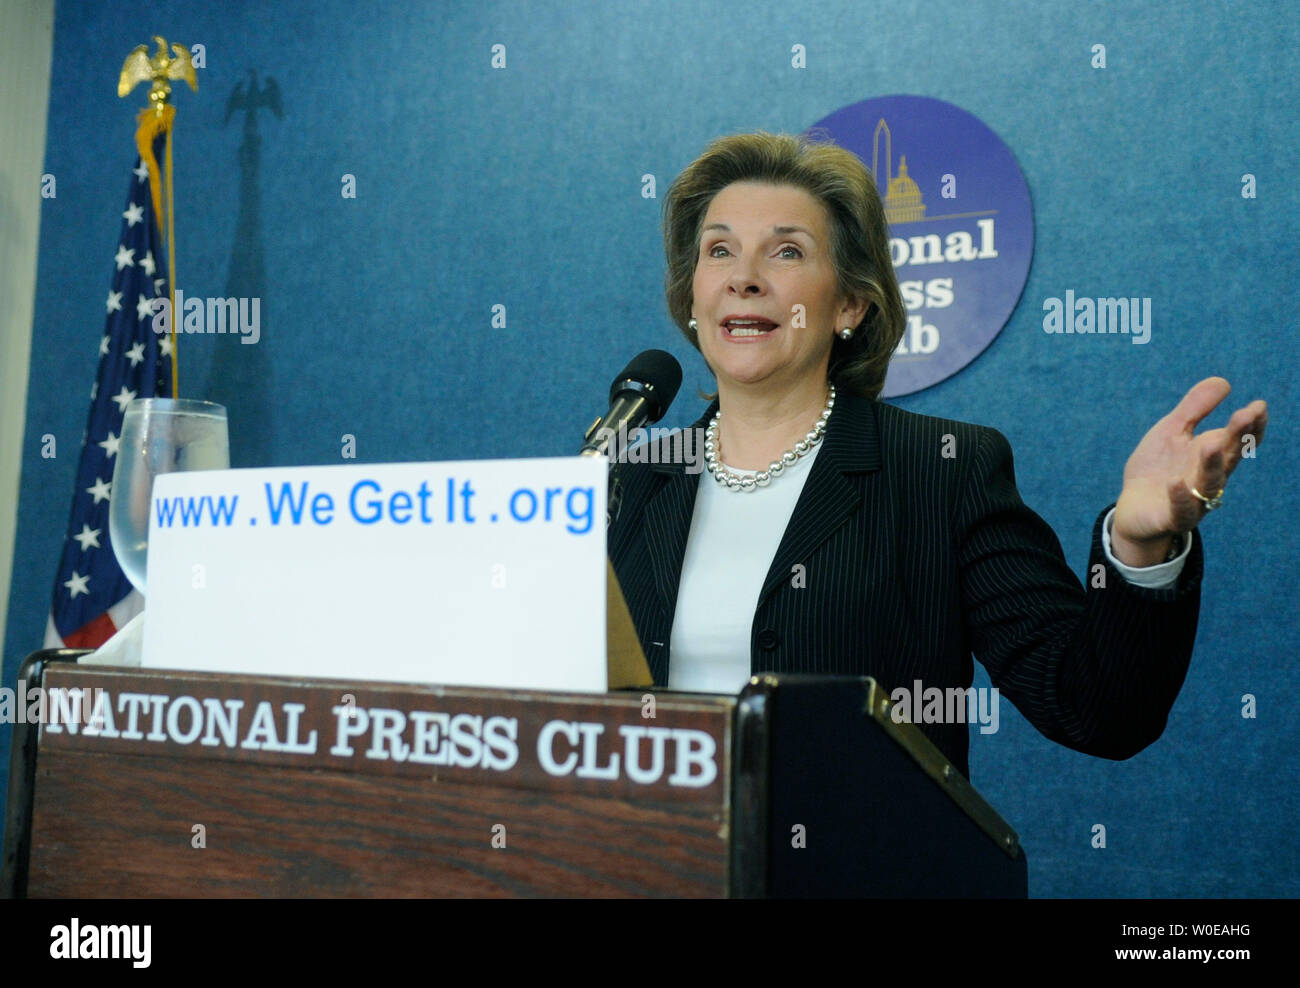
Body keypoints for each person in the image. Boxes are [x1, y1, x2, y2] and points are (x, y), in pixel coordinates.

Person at [607, 131, 1268, 778]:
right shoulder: (626, 484)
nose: (743, 279)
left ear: (851, 303)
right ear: (691, 296)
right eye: (718, 250)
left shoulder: (942, 472)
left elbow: (1096, 710)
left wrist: (1138, 548)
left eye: (786, 252)